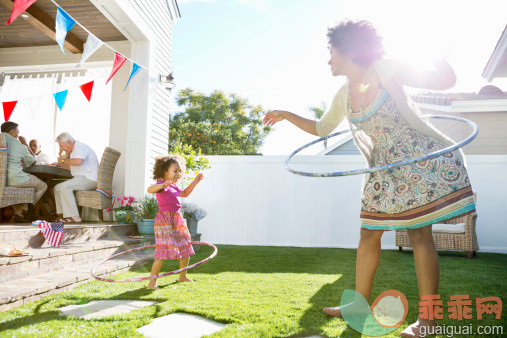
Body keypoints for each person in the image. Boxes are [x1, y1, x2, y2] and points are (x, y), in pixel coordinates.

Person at [263, 20, 475, 337]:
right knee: (368, 234)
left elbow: (444, 80)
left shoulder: (384, 68)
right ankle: (357, 305)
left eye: (332, 51)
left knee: (419, 235)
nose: (329, 59)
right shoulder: (343, 95)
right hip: (383, 170)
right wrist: (286, 114)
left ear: (349, 50)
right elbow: (321, 129)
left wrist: (440, 56)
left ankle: (428, 321)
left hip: (416, 160)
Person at [147, 155, 204, 289]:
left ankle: (182, 276)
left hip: (177, 218)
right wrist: (162, 185)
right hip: (165, 220)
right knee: (163, 250)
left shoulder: (174, 187)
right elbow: (150, 190)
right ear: (164, 171)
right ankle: (152, 282)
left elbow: (184, 193)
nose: (178, 174)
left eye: (179, 171)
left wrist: (195, 181)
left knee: (185, 245)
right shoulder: (161, 185)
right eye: (175, 171)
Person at [1, 122, 47, 222]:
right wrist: (25, 144)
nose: (18, 135)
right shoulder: (18, 144)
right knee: (43, 185)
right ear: (12, 132)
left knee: (17, 192)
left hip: (2, 182)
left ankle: (19, 213)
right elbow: (33, 161)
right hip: (15, 178)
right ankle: (22, 210)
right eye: (17, 133)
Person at [52, 132, 99, 223]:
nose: (61, 149)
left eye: (62, 146)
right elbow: (73, 166)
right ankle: (64, 217)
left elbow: (78, 162)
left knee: (64, 186)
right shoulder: (75, 150)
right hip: (82, 178)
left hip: (89, 179)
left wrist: (62, 160)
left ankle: (75, 217)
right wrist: (59, 164)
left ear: (68, 142)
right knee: (57, 188)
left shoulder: (80, 147)